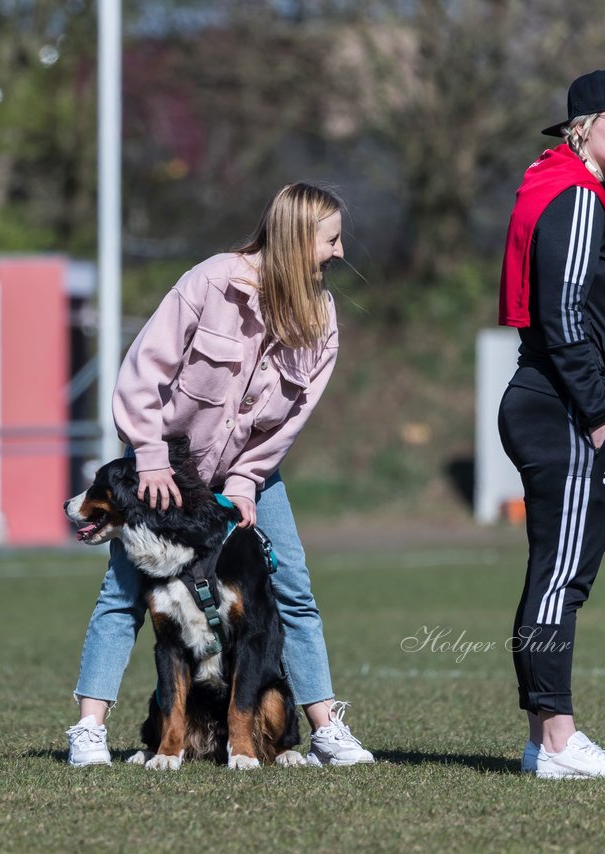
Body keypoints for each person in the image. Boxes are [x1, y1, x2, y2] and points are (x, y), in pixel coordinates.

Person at [65, 182, 375, 768]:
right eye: (330, 240)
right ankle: (89, 730)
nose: (338, 252)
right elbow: (143, 370)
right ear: (295, 237)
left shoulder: (323, 316)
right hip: (167, 468)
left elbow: (291, 420)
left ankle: (326, 729)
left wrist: (247, 480)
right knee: (125, 593)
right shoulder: (209, 282)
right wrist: (149, 456)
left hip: (246, 478)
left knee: (294, 591)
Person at [497, 69, 605, 779]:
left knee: (560, 572)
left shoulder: (579, 193)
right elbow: (563, 313)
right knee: (560, 575)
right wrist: (600, 411)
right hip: (565, 409)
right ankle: (559, 742)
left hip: (568, 406)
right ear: (582, 126)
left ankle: (548, 741)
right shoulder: (573, 198)